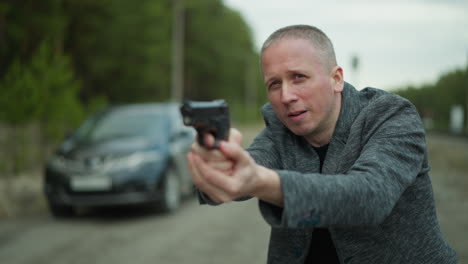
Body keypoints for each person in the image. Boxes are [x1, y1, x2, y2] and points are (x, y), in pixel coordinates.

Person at [186, 25, 457, 264]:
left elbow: (370, 196)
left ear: (336, 78)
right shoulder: (279, 129)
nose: (286, 96)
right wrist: (219, 167)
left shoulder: (391, 115)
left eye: (298, 77)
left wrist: (260, 182)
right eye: (274, 84)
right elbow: (252, 162)